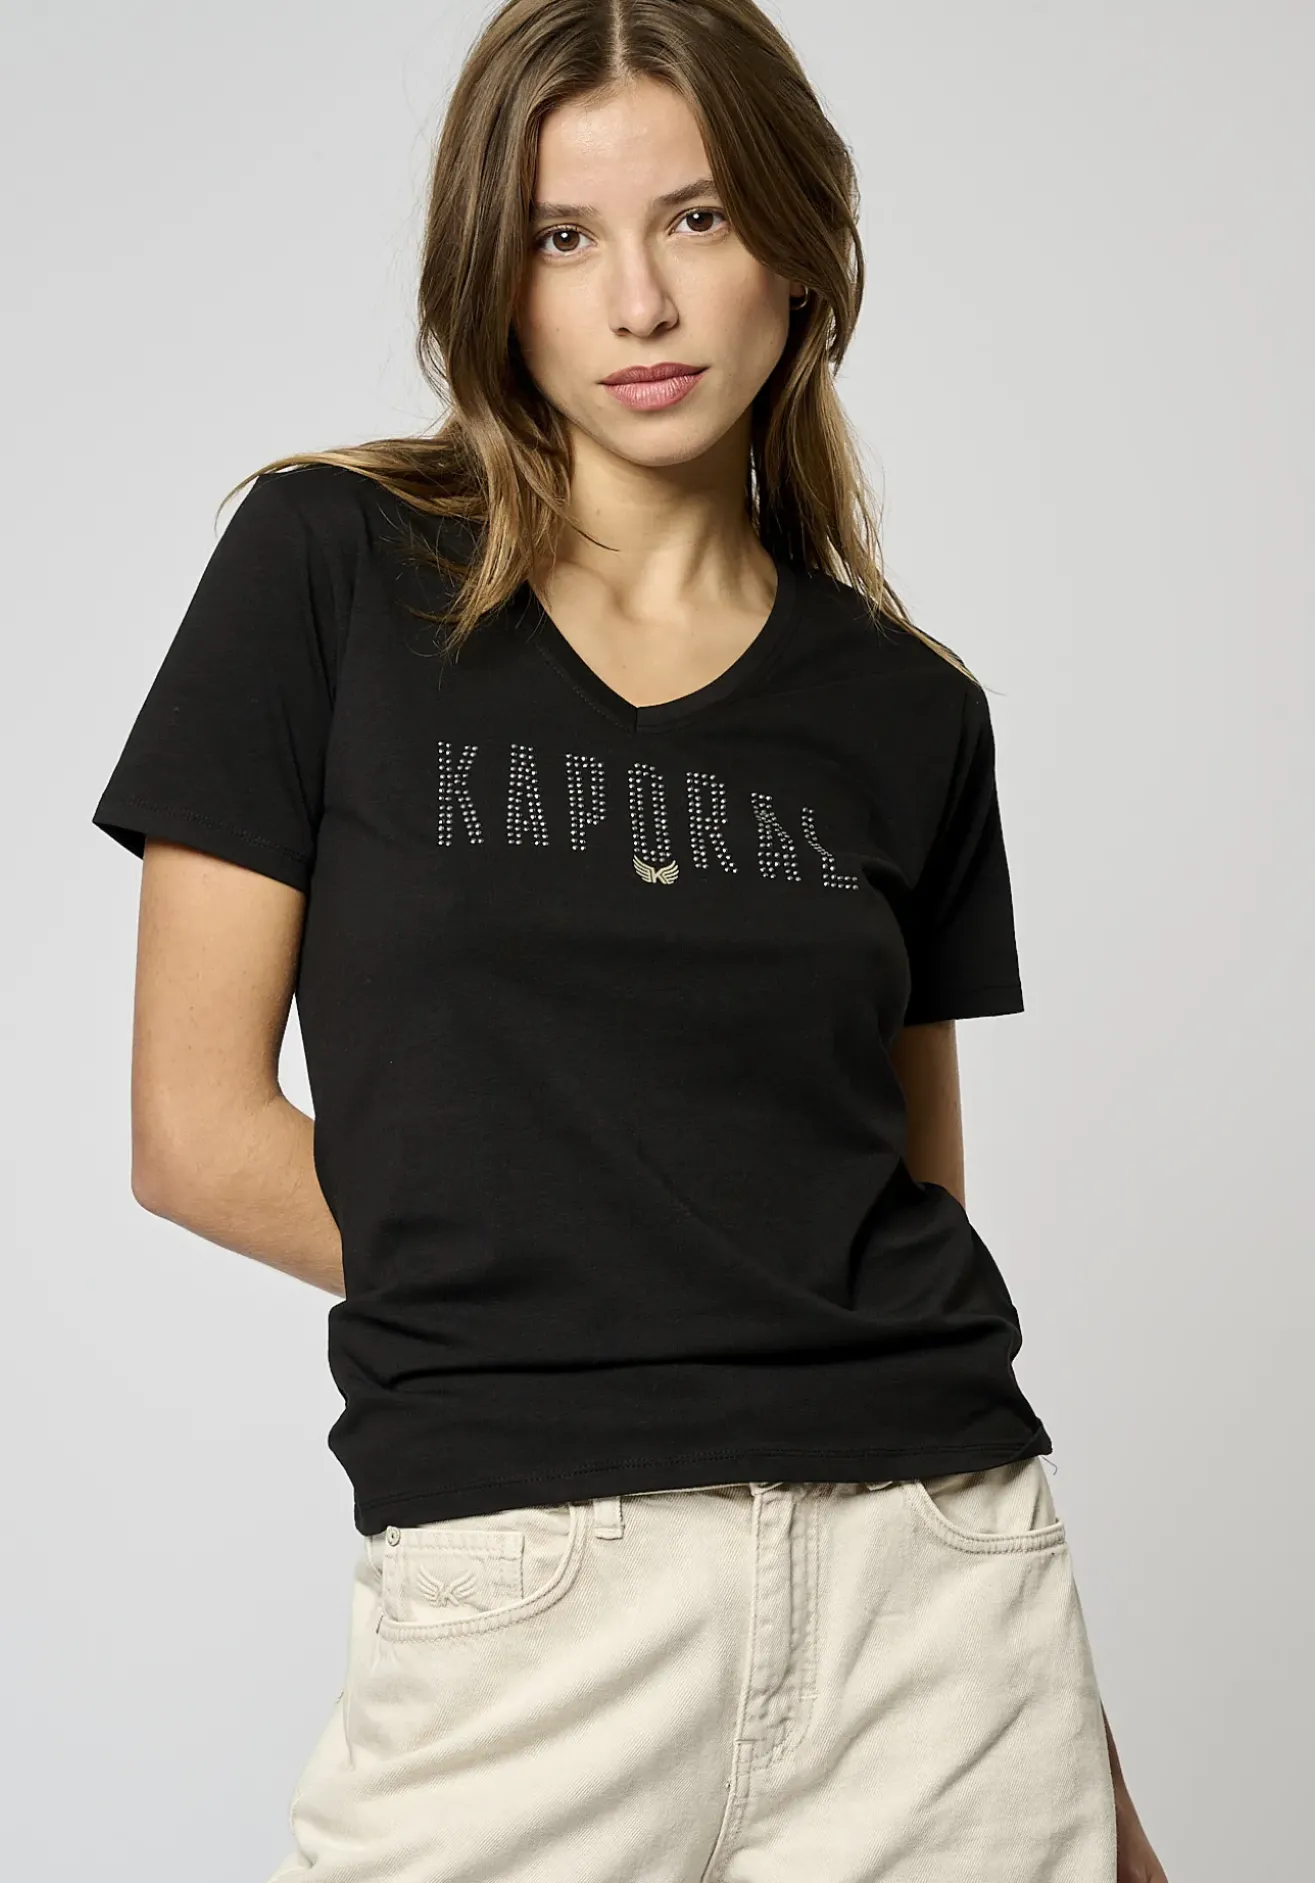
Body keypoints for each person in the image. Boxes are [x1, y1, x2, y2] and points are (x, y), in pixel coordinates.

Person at [91, 2, 1167, 1879]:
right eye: (561, 237)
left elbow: (904, 1202)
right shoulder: (331, 567)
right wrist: (588, 1308)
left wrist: (1085, 1766)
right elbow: (193, 1133)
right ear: (491, 277)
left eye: (695, 217)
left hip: (936, 1591)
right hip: (527, 1584)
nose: (638, 302)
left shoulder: (909, 711)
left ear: (796, 244)